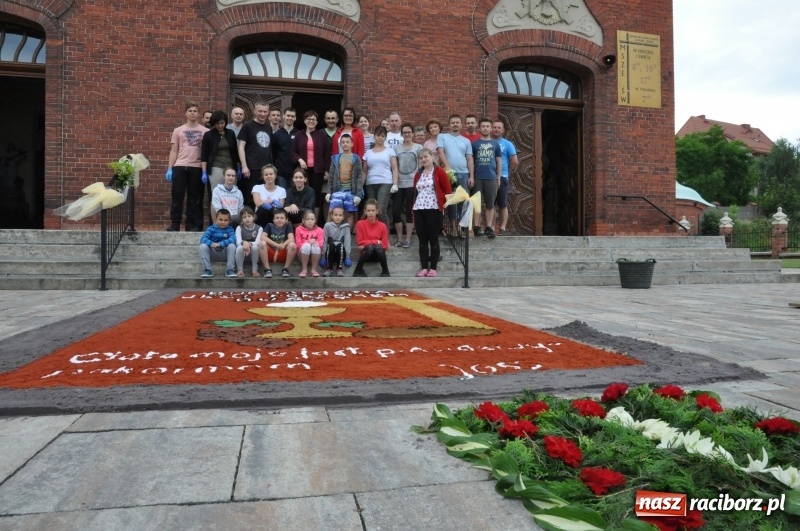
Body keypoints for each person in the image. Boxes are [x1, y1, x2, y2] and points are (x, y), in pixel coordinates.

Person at [166, 101, 208, 232]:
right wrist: (169, 168)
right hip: (180, 166)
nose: (193, 113)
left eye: (195, 111)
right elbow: (174, 150)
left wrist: (204, 171)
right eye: (190, 111)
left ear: (198, 113)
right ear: (185, 113)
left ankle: (191, 224)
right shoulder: (178, 130)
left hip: (196, 167)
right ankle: (175, 224)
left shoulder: (205, 131)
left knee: (194, 197)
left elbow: (206, 152)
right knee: (177, 196)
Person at [413, 148, 452, 277]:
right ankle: (424, 267)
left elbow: (447, 189)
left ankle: (433, 268)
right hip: (419, 208)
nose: (424, 160)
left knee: (433, 239)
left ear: (432, 157)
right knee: (422, 239)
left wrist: (445, 205)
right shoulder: (418, 174)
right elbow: (415, 190)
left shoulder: (439, 172)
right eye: (421, 158)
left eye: (426, 157)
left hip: (434, 208)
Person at [292, 110, 331, 224]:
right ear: (304, 121)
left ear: (317, 122)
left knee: (317, 196)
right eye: (309, 119)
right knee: (303, 194)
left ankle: (314, 223)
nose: (311, 121)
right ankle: (302, 221)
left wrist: (327, 170)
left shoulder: (321, 135)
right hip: (303, 171)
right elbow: (293, 152)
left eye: (313, 119)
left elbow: (327, 154)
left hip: (317, 171)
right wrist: (300, 160)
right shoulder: (299, 135)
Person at [237, 99, 276, 207]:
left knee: (265, 198)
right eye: (260, 111)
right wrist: (244, 166)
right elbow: (241, 146)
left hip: (266, 170)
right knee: (250, 198)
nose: (262, 114)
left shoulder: (268, 127)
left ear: (268, 112)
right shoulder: (247, 126)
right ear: (255, 111)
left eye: (265, 111)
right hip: (251, 168)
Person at [471, 117, 502, 238]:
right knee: (477, 203)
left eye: (487, 126)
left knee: (490, 204)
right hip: (478, 177)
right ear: (480, 128)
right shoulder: (475, 144)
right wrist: (472, 177)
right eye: (483, 126)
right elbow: (471, 161)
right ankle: (477, 227)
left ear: (490, 128)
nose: (485, 128)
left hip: (491, 177)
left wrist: (498, 178)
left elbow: (499, 162)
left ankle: (489, 227)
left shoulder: (495, 144)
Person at [393, 122, 423, 248]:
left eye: (409, 132)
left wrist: (420, 182)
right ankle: (400, 239)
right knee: (396, 211)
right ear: (401, 134)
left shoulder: (418, 147)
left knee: (411, 212)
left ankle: (408, 239)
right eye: (404, 132)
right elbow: (394, 166)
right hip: (399, 184)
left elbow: (422, 166)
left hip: (412, 184)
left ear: (413, 133)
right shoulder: (397, 148)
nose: (407, 134)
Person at [362, 125, 397, 229]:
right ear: (374, 137)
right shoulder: (368, 153)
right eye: (378, 135)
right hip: (370, 183)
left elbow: (395, 168)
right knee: (371, 210)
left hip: (385, 182)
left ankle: (385, 236)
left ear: (385, 137)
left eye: (382, 135)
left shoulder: (390, 151)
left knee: (380, 210)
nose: (380, 137)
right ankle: (373, 234)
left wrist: (395, 184)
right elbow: (364, 171)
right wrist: (360, 186)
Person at [326, 134, 363, 228]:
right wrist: (329, 192)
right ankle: (326, 236)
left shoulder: (356, 158)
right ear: (340, 144)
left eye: (347, 142)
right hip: (337, 190)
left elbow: (359, 177)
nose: (345, 144)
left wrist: (358, 195)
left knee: (349, 213)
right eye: (343, 142)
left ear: (352, 144)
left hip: (351, 191)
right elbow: (331, 176)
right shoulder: (335, 158)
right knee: (331, 211)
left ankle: (346, 236)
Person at [491, 119, 519, 236]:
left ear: (503, 130)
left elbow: (514, 161)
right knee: (490, 204)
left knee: (502, 204)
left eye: (499, 127)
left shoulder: (507, 144)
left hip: (502, 177)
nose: (496, 129)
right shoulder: (487, 142)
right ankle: (491, 228)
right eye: (495, 127)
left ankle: (502, 228)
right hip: (489, 177)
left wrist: (507, 171)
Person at [201, 110, 240, 193]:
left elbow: (235, 152)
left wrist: (238, 167)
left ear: (225, 122)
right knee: (216, 193)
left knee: (231, 193)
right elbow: (204, 155)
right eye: (217, 124)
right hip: (216, 167)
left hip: (230, 166)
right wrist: (204, 172)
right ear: (213, 123)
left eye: (222, 123)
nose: (220, 126)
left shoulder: (230, 133)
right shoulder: (208, 135)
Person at [353, 198, 390, 277]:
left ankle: (385, 271)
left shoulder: (383, 226)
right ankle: (358, 270)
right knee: (370, 247)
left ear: (377, 211)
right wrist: (376, 241)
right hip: (365, 253)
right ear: (365, 211)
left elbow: (385, 245)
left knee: (378, 248)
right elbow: (360, 242)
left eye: (373, 211)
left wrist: (375, 244)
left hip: (377, 255)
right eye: (369, 211)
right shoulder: (360, 224)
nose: (371, 213)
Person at [436, 114, 473, 191]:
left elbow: (469, 159)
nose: (455, 124)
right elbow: (440, 152)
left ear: (461, 125)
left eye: (457, 122)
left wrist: (471, 176)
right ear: (449, 125)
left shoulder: (466, 141)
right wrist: (448, 169)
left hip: (464, 173)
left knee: (465, 199)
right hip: (448, 173)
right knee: (450, 198)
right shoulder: (442, 137)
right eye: (453, 123)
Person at [258, 208, 296, 278]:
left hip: (282, 253)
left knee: (292, 245)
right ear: (273, 220)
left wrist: (282, 245)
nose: (279, 220)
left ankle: (285, 269)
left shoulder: (287, 226)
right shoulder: (269, 225)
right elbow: (263, 237)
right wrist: (277, 245)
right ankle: (267, 269)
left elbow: (291, 239)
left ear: (286, 220)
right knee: (262, 243)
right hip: (271, 253)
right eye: (277, 218)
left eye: (282, 218)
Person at [199, 208, 236, 278]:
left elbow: (233, 239)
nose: (223, 222)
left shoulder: (230, 229)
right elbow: (203, 238)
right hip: (213, 253)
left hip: (225, 253)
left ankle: (230, 269)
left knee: (232, 245)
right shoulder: (211, 228)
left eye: (225, 220)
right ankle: (207, 270)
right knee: (203, 246)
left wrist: (221, 244)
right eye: (220, 220)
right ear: (216, 219)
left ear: (229, 221)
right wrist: (211, 243)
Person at [321, 205, 352, 277]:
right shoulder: (327, 226)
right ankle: (329, 268)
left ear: (343, 217)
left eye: (340, 215)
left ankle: (339, 269)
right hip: (330, 252)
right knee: (331, 244)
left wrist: (347, 257)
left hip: (341, 253)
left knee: (339, 245)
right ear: (331, 216)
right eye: (335, 215)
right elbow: (324, 241)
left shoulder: (346, 227)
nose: (338, 217)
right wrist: (323, 256)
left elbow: (347, 242)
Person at [273, 107, 298, 189]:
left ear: (295, 118)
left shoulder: (299, 134)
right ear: (283, 116)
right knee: (282, 197)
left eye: (292, 116)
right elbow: (273, 154)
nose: (290, 118)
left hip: (296, 174)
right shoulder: (277, 134)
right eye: (288, 116)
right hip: (281, 173)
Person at [295, 210, 324, 278]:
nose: (310, 221)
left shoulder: (320, 230)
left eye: (312, 219)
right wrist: (308, 242)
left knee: (315, 246)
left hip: (315, 255)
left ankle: (313, 270)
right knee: (307, 246)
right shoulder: (298, 229)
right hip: (302, 254)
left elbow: (321, 244)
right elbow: (298, 244)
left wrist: (315, 243)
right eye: (307, 219)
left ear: (315, 220)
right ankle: (304, 270)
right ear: (303, 220)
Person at [235, 206, 263, 277]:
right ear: (241, 220)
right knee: (239, 247)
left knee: (255, 247)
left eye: (249, 216)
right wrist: (243, 243)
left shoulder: (259, 228)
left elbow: (257, 242)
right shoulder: (239, 228)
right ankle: (240, 270)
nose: (247, 219)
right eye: (244, 217)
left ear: (253, 217)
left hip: (254, 253)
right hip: (242, 253)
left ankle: (254, 270)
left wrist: (247, 244)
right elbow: (238, 242)